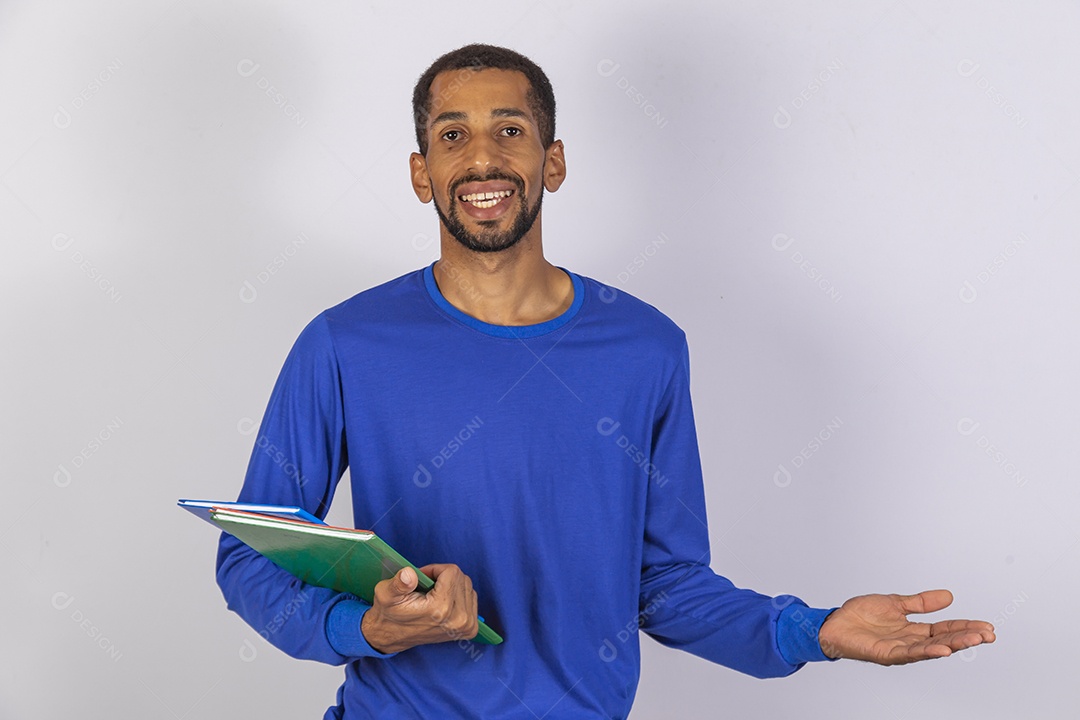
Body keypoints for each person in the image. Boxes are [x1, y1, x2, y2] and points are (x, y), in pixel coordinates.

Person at [216, 43, 995, 719]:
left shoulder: (646, 348)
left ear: (553, 161)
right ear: (423, 174)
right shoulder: (344, 342)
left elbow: (662, 585)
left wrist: (812, 631)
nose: (483, 159)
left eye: (510, 131)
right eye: (453, 136)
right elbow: (251, 555)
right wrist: (365, 629)